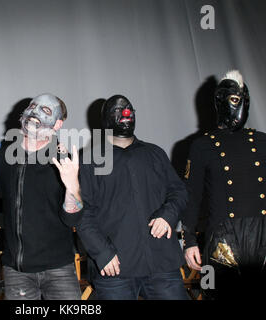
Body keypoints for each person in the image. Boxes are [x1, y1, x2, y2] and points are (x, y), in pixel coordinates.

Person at [181, 70, 266, 299]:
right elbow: (191, 196)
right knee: (214, 292)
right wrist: (189, 242)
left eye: (244, 100)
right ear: (220, 101)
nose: (241, 106)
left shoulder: (262, 140)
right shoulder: (201, 145)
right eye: (236, 99)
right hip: (222, 237)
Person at [77, 94, 189, 300]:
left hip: (162, 264)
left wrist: (168, 215)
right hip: (115, 269)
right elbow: (83, 212)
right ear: (106, 120)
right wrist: (102, 253)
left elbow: (179, 191)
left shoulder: (155, 154)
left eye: (129, 109)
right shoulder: (90, 160)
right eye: (118, 111)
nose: (125, 114)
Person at [0, 93, 83, 300]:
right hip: (17, 271)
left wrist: (72, 186)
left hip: (59, 269)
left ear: (57, 124)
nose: (35, 112)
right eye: (33, 106)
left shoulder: (64, 161)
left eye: (46, 110)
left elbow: (73, 218)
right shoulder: (3, 157)